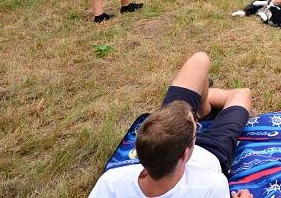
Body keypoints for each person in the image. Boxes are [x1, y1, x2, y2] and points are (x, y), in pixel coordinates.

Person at [88, 52, 252, 198]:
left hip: (170, 137)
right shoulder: (212, 185)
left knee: (200, 60)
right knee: (242, 93)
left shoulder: (111, 182)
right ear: (185, 155)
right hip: (213, 150)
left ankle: (204, 110)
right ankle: (207, 105)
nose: (196, 125)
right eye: (195, 127)